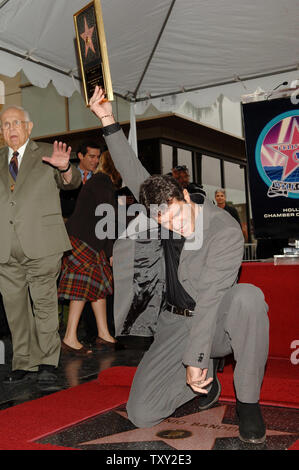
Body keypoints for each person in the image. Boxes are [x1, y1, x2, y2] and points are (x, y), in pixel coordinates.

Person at [88, 86, 270, 445]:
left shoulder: (224, 229)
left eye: (178, 216)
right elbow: (130, 167)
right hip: (173, 322)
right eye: (165, 221)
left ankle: (248, 403)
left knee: (249, 297)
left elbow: (209, 299)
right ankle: (210, 385)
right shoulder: (160, 210)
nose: (176, 226)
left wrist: (197, 358)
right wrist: (107, 119)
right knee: (142, 412)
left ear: (186, 196)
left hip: (216, 319)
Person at [0, 105, 82, 384]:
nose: (10, 129)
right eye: (5, 125)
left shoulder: (48, 152)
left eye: (16, 123)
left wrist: (67, 168)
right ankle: (23, 361)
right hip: (5, 247)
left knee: (44, 304)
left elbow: (72, 182)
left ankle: (48, 359)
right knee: (15, 308)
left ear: (29, 127)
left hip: (43, 244)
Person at [58, 160, 118, 355]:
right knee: (82, 286)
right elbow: (106, 217)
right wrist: (110, 252)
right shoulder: (102, 183)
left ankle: (103, 333)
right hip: (83, 239)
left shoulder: (100, 182)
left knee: (98, 283)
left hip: (89, 240)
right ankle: (69, 338)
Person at [60, 141, 101, 219]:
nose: (97, 161)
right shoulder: (66, 178)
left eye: (98, 157)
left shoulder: (102, 179)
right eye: (92, 157)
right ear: (80, 156)